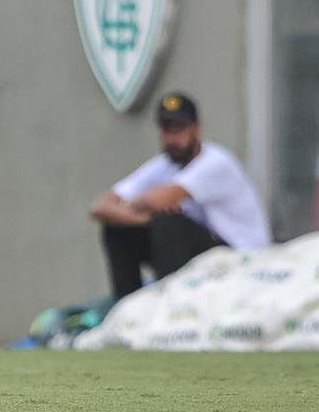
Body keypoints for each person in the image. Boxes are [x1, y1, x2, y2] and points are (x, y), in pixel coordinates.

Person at [89, 92, 271, 298]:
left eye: (179, 129)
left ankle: (172, 303)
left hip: (240, 256)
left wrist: (140, 208)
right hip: (204, 254)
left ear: (196, 129)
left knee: (168, 223)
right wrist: (143, 214)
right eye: (166, 130)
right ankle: (125, 303)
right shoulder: (164, 165)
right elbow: (99, 207)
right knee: (118, 229)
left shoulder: (216, 162)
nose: (172, 138)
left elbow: (157, 200)